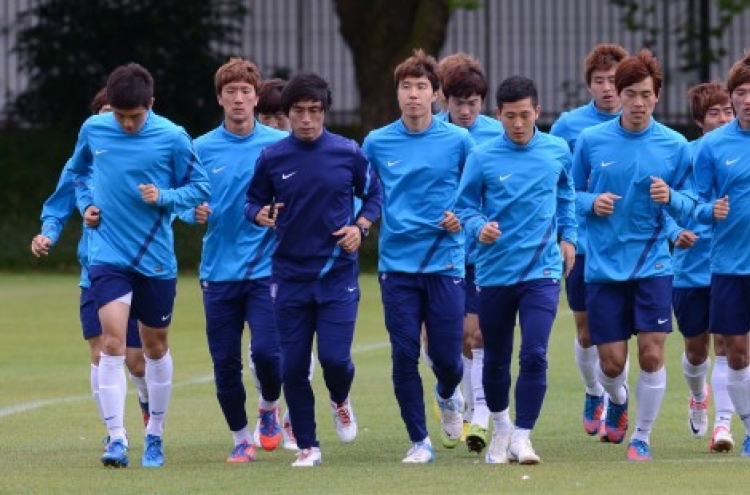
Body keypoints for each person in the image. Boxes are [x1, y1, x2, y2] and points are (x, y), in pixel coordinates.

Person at [68, 62, 210, 468]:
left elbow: (200, 188)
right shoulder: (93, 130)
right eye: (120, 116)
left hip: (155, 260)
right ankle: (116, 438)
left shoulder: (173, 137)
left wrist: (163, 197)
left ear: (151, 104)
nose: (127, 124)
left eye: (135, 116)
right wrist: (87, 207)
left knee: (154, 347)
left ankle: (155, 434)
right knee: (111, 344)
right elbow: (79, 175)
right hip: (108, 256)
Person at [245, 71, 382, 467]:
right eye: (299, 111)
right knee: (292, 367)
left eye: (314, 111)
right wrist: (261, 214)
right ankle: (309, 446)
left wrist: (361, 227)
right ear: (287, 114)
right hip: (288, 278)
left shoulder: (348, 152)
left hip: (337, 276)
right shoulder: (272, 158)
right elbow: (251, 203)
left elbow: (374, 194)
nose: (306, 119)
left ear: (325, 112)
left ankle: (339, 398)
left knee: (335, 361)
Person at [571, 49, 694, 461]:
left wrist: (672, 196)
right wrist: (591, 202)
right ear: (618, 94)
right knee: (610, 363)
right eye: (630, 93)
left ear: (657, 96)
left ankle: (642, 436)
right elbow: (566, 195)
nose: (637, 102)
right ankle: (617, 400)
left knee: (652, 353)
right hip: (603, 265)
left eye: (645, 94)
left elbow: (692, 203)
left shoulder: (676, 146)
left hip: (653, 264)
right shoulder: (590, 141)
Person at [456, 75, 577, 464]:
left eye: (526, 115)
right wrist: (480, 228)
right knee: (494, 358)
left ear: (538, 112)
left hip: (541, 271)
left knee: (535, 353)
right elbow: (463, 208)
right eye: (511, 117)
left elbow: (566, 196)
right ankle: (501, 427)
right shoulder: (482, 156)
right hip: (494, 273)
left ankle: (524, 435)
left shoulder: (557, 151)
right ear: (498, 115)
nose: (519, 124)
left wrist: (569, 238)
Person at [362, 49, 475, 463]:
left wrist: (461, 216)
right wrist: (362, 222)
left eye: (421, 87)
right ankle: (419, 440)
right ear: (397, 94)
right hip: (397, 266)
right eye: (406, 87)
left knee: (447, 359)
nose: (413, 94)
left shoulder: (459, 141)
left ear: (435, 94)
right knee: (404, 352)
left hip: (445, 262)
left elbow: (478, 192)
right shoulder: (376, 142)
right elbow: (365, 192)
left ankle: (448, 394)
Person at [178, 58, 287, 463]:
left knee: (269, 354)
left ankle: (268, 408)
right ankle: (241, 438)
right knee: (225, 363)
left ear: (256, 97)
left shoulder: (276, 148)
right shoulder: (200, 148)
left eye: (245, 92)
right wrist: (192, 213)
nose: (239, 99)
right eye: (231, 92)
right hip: (218, 272)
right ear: (220, 98)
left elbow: (293, 198)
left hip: (265, 269)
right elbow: (181, 201)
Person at [30, 87, 150, 443]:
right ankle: (116, 432)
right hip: (95, 271)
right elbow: (58, 204)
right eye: (105, 113)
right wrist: (47, 233)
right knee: (100, 351)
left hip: (138, 269)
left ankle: (146, 400)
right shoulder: (81, 163)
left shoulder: (140, 155)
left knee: (137, 360)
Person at [550, 43, 629, 440]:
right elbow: (559, 183)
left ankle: (618, 399)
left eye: (614, 81)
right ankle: (593, 391)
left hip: (625, 246)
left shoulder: (639, 122)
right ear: (589, 86)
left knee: (618, 330)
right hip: (581, 244)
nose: (607, 88)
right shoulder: (568, 126)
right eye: (599, 81)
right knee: (585, 331)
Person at [434, 52, 503, 452]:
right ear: (444, 99)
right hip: (438, 255)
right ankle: (456, 401)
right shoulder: (432, 134)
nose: (465, 110)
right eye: (458, 102)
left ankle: (479, 418)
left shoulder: (496, 134)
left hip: (482, 254)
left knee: (477, 336)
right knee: (448, 341)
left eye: (472, 102)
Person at [668, 82, 736, 452]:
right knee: (697, 349)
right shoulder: (686, 155)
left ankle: (723, 426)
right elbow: (664, 204)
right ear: (699, 121)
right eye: (715, 112)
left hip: (731, 265)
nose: (724, 117)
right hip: (690, 268)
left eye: (727, 110)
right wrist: (676, 230)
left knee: (727, 345)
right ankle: (698, 396)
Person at [692, 51, 750, 458]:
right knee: (736, 351)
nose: (748, 99)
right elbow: (695, 203)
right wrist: (707, 211)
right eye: (741, 93)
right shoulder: (712, 146)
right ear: (731, 99)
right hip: (730, 265)